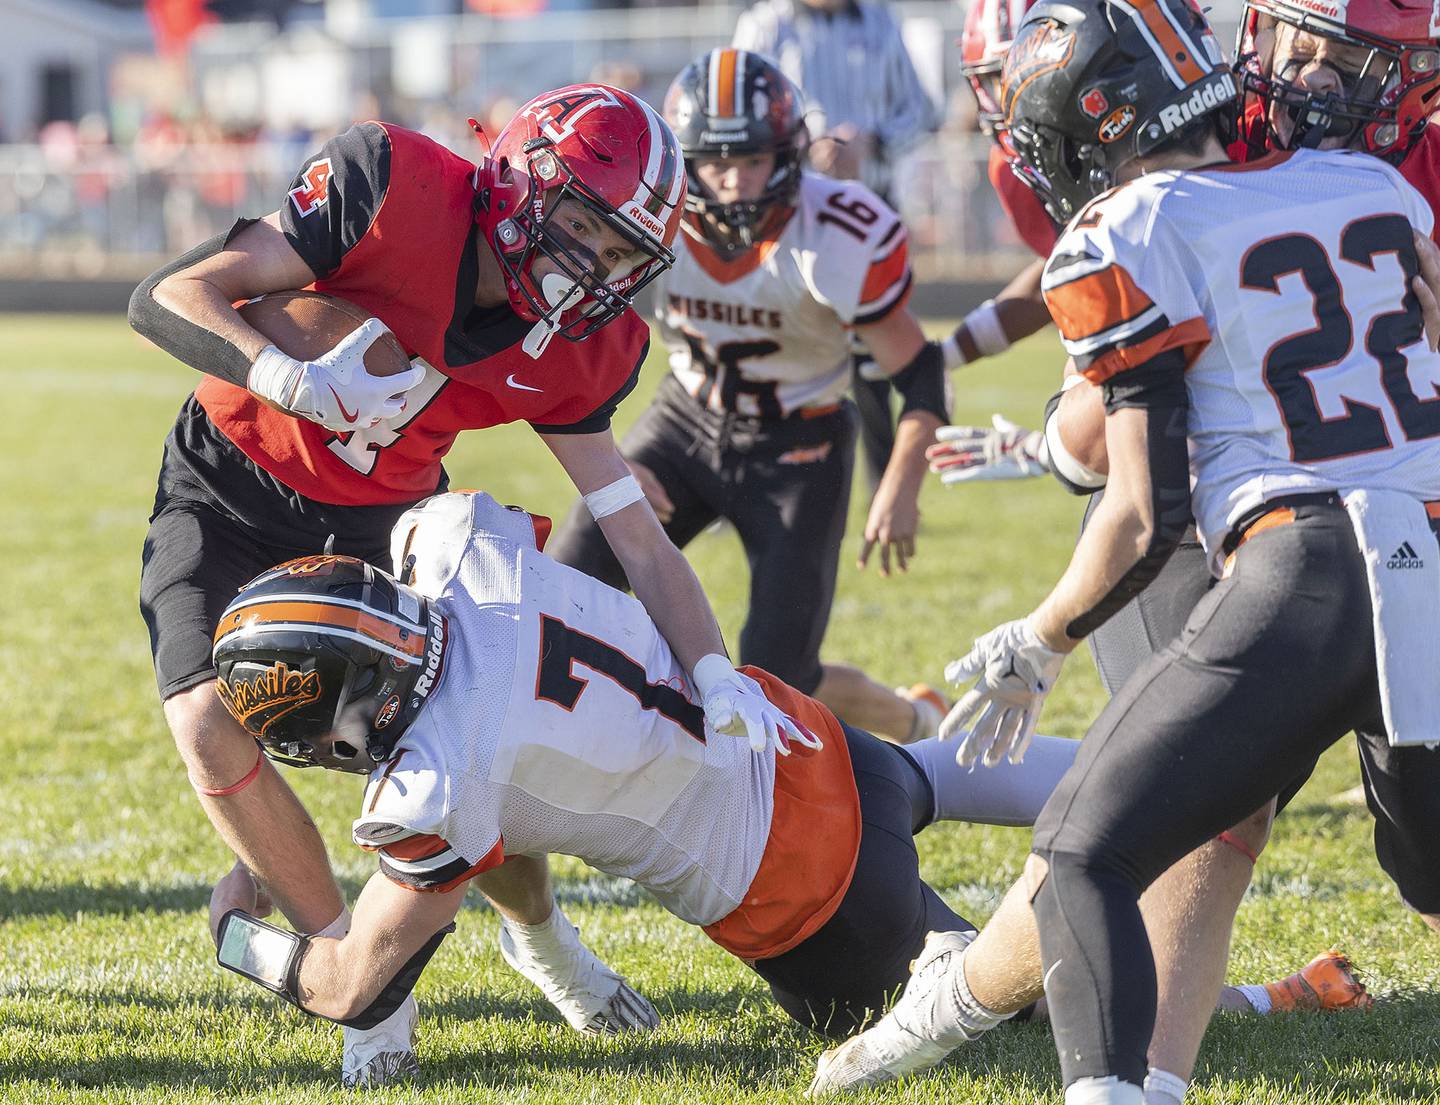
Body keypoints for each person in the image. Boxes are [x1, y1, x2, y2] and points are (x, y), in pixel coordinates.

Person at [814, 0, 1440, 1101]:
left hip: (1301, 538)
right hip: (1379, 543)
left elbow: (1121, 473)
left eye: (1373, 65)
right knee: (1221, 819)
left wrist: (1042, 627)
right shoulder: (1369, 180)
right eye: (1324, 54)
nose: (1342, 84)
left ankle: (1017, 1033)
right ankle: (1063, 1046)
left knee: (1093, 845)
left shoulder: (1154, 211)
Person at [127, 85, 799, 1084]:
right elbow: (169, 295)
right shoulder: (392, 186)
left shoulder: (580, 342)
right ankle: (361, 982)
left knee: (461, 756)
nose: (591, 273)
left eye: (618, 257)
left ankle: (544, 940)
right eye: (582, 229)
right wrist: (290, 378)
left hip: (383, 519)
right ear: (526, 177)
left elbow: (640, 540)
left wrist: (717, 672)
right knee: (206, 724)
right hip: (229, 477)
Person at [205, 490, 1086, 1053]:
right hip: (805, 739)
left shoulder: (442, 784)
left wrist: (235, 938)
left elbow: (352, 985)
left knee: (1001, 997)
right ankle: (1129, 780)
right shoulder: (454, 541)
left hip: (809, 903)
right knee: (923, 776)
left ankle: (1183, 977)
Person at [548, 50, 951, 743]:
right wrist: (610, 455)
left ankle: (915, 717)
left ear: (789, 155)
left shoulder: (836, 235)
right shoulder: (647, 216)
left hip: (801, 444)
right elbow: (570, 339)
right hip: (685, 420)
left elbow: (919, 370)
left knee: (781, 679)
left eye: (752, 161)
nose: (733, 184)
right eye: (714, 163)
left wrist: (903, 478)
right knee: (563, 584)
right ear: (683, 159)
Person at [733, 0, 942, 495]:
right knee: (766, 342)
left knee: (872, 351)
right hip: (783, 212)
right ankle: (742, 478)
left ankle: (886, 485)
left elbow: (921, 110)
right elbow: (733, 116)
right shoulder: (765, 26)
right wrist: (805, 142)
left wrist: (871, 143)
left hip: (867, 209)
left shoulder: (880, 20)